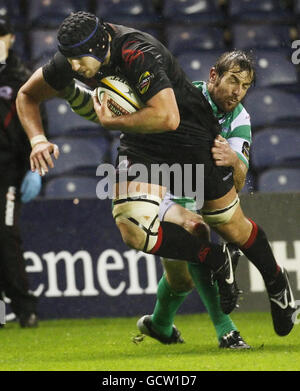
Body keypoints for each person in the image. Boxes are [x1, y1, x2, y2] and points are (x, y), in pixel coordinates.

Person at [16, 12, 297, 338]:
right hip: (142, 141)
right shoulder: (73, 57)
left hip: (189, 130)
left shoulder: (137, 51)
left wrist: (112, 122)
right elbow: (27, 95)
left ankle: (278, 283)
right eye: (70, 60)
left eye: (80, 61)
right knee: (132, 228)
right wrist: (37, 139)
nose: (74, 68)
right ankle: (212, 257)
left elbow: (168, 117)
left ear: (101, 45)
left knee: (229, 224)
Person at [136, 66, 252, 348]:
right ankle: (226, 331)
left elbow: (237, 183)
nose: (237, 92)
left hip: (193, 187)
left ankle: (159, 325)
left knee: (182, 281)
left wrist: (234, 160)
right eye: (233, 81)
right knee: (196, 230)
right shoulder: (183, 96)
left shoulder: (240, 118)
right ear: (214, 76)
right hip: (155, 181)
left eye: (245, 85)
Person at [0, 15, 41, 328]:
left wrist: (34, 168)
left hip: (8, 171)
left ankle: (24, 308)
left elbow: (37, 126)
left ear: (10, 38)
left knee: (5, 237)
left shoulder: (21, 78)